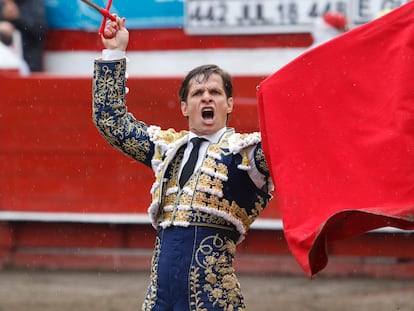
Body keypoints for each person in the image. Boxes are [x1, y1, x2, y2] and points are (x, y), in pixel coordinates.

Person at [92, 17, 273, 311]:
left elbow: (291, 143)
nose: (207, 98)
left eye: (215, 93)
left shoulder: (247, 153)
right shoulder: (167, 148)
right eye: (197, 94)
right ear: (184, 107)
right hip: (159, 298)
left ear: (229, 104)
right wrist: (114, 52)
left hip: (213, 299)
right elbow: (111, 122)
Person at [0, 0, 47, 72]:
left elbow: (39, 30)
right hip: (4, 65)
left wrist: (18, 17)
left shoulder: (33, 3)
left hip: (30, 65)